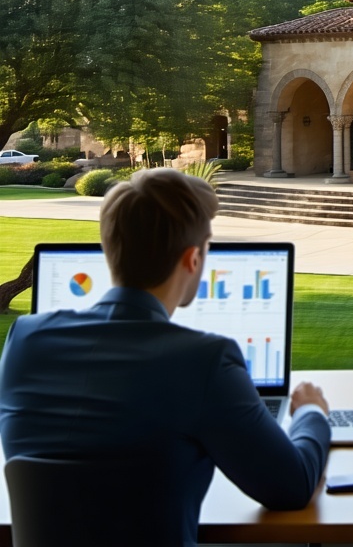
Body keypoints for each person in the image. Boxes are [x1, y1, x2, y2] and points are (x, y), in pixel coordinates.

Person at [0, 168, 331, 546]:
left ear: (110, 249)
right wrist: (311, 413)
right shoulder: (205, 360)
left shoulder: (24, 340)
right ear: (193, 259)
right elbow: (293, 487)